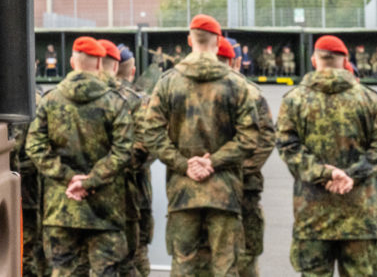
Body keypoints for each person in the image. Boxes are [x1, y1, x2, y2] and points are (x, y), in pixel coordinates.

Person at [141, 14, 259, 276]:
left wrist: (184, 164)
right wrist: (213, 162)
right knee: (226, 266)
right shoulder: (237, 84)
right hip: (225, 192)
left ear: (189, 40)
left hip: (183, 192)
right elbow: (250, 137)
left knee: (183, 265)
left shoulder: (168, 82)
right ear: (219, 41)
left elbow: (151, 133)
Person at [26, 36, 133, 276]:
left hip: (61, 207)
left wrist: (68, 178)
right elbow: (124, 150)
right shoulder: (115, 103)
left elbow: (34, 146)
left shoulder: (50, 100)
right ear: (99, 65)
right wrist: (90, 181)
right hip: (105, 210)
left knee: (63, 270)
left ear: (73, 62)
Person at [276, 35, 377, 276]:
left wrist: (326, 173)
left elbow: (288, 147)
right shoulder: (369, 99)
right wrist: (351, 176)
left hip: (312, 216)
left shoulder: (294, 100)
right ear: (346, 62)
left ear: (314, 60)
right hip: (360, 217)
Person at [218, 39, 276, 277]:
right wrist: (241, 170)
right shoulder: (252, 93)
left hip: (200, 186)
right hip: (245, 186)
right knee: (245, 255)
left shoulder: (181, 89)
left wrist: (206, 168)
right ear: (237, 61)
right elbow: (266, 139)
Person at [117, 43, 153, 276]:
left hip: (94, 194)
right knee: (137, 251)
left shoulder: (102, 97)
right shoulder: (139, 100)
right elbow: (150, 145)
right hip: (136, 190)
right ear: (132, 70)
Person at [11, 88, 47, 277]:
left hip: (20, 180)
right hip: (28, 183)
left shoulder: (12, 97)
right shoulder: (32, 99)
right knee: (29, 241)